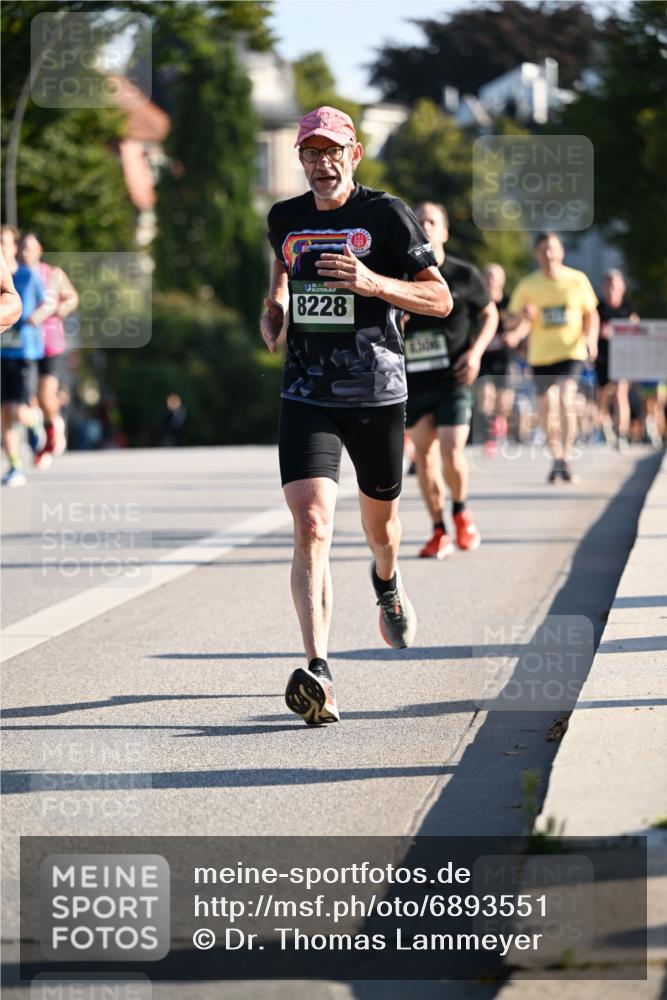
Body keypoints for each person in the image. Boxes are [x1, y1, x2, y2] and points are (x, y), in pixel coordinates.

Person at [262, 106, 452, 726]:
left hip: (376, 394)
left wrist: (373, 284)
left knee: (382, 530)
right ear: (301, 159)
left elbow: (440, 298)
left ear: (355, 153)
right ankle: (319, 670)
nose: (323, 163)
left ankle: (387, 581)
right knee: (312, 522)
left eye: (333, 151)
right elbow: (283, 271)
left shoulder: (386, 216)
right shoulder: (284, 219)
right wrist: (275, 306)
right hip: (307, 393)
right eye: (311, 153)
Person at [403, 203, 498, 558]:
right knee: (424, 458)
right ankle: (438, 529)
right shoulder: (401, 274)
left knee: (451, 448)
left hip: (455, 377)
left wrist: (475, 354)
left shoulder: (463, 274)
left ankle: (460, 510)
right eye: (419, 221)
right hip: (416, 381)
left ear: (443, 231)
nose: (425, 226)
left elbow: (490, 314)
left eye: (432, 221)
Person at [506, 232, 599, 483]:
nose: (548, 255)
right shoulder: (528, 284)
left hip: (571, 351)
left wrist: (590, 340)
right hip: (540, 355)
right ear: (537, 255)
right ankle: (557, 456)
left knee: (565, 398)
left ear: (561, 252)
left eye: (552, 249)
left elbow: (591, 314)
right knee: (546, 406)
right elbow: (511, 319)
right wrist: (522, 316)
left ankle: (566, 455)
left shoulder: (577, 280)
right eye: (543, 250)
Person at [0, 227, 55, 486]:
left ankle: (34, 422)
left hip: (24, 353)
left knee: (17, 410)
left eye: (5, 242)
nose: (2, 246)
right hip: (1, 353)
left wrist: (35, 317)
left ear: (14, 247)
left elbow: (48, 303)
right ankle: (15, 467)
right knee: (5, 414)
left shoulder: (28, 276)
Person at [19, 232, 78, 464]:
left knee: (45, 395)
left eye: (30, 247)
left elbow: (72, 298)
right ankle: (40, 439)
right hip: (24, 345)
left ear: (39, 250)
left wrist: (61, 309)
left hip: (50, 344)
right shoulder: (15, 275)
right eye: (22, 247)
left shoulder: (52, 274)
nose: (26, 251)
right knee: (28, 398)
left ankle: (54, 425)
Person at [477, 263, 515, 456]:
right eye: (487, 275)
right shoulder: (478, 301)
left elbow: (519, 322)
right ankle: (490, 436)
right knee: (486, 395)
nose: (490, 279)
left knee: (503, 402)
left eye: (494, 276)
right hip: (484, 357)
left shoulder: (509, 302)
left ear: (502, 280)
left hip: (504, 357)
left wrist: (515, 333)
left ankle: (501, 429)